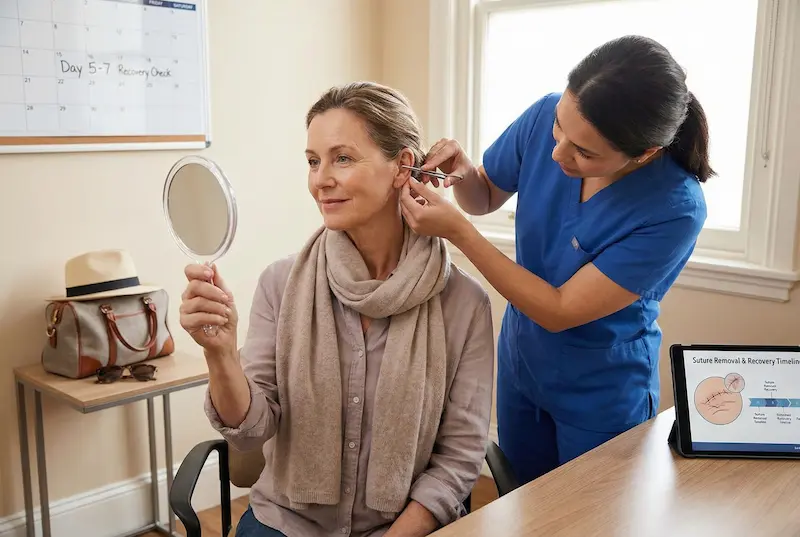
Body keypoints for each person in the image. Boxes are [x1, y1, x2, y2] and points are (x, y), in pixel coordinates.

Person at [179, 81, 495, 537]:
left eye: (342, 158)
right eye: (312, 161)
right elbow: (249, 435)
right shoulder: (281, 284)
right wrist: (220, 355)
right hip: (285, 524)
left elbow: (459, 459)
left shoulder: (463, 304)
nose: (320, 179)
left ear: (402, 166)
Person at [399, 35, 710, 484]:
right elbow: (484, 194)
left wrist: (459, 235)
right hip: (523, 363)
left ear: (644, 154)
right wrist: (463, 171)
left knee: (588, 518)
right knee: (522, 500)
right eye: (559, 129)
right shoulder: (547, 112)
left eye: (583, 152)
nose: (556, 152)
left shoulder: (674, 208)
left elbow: (560, 310)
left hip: (600, 389)